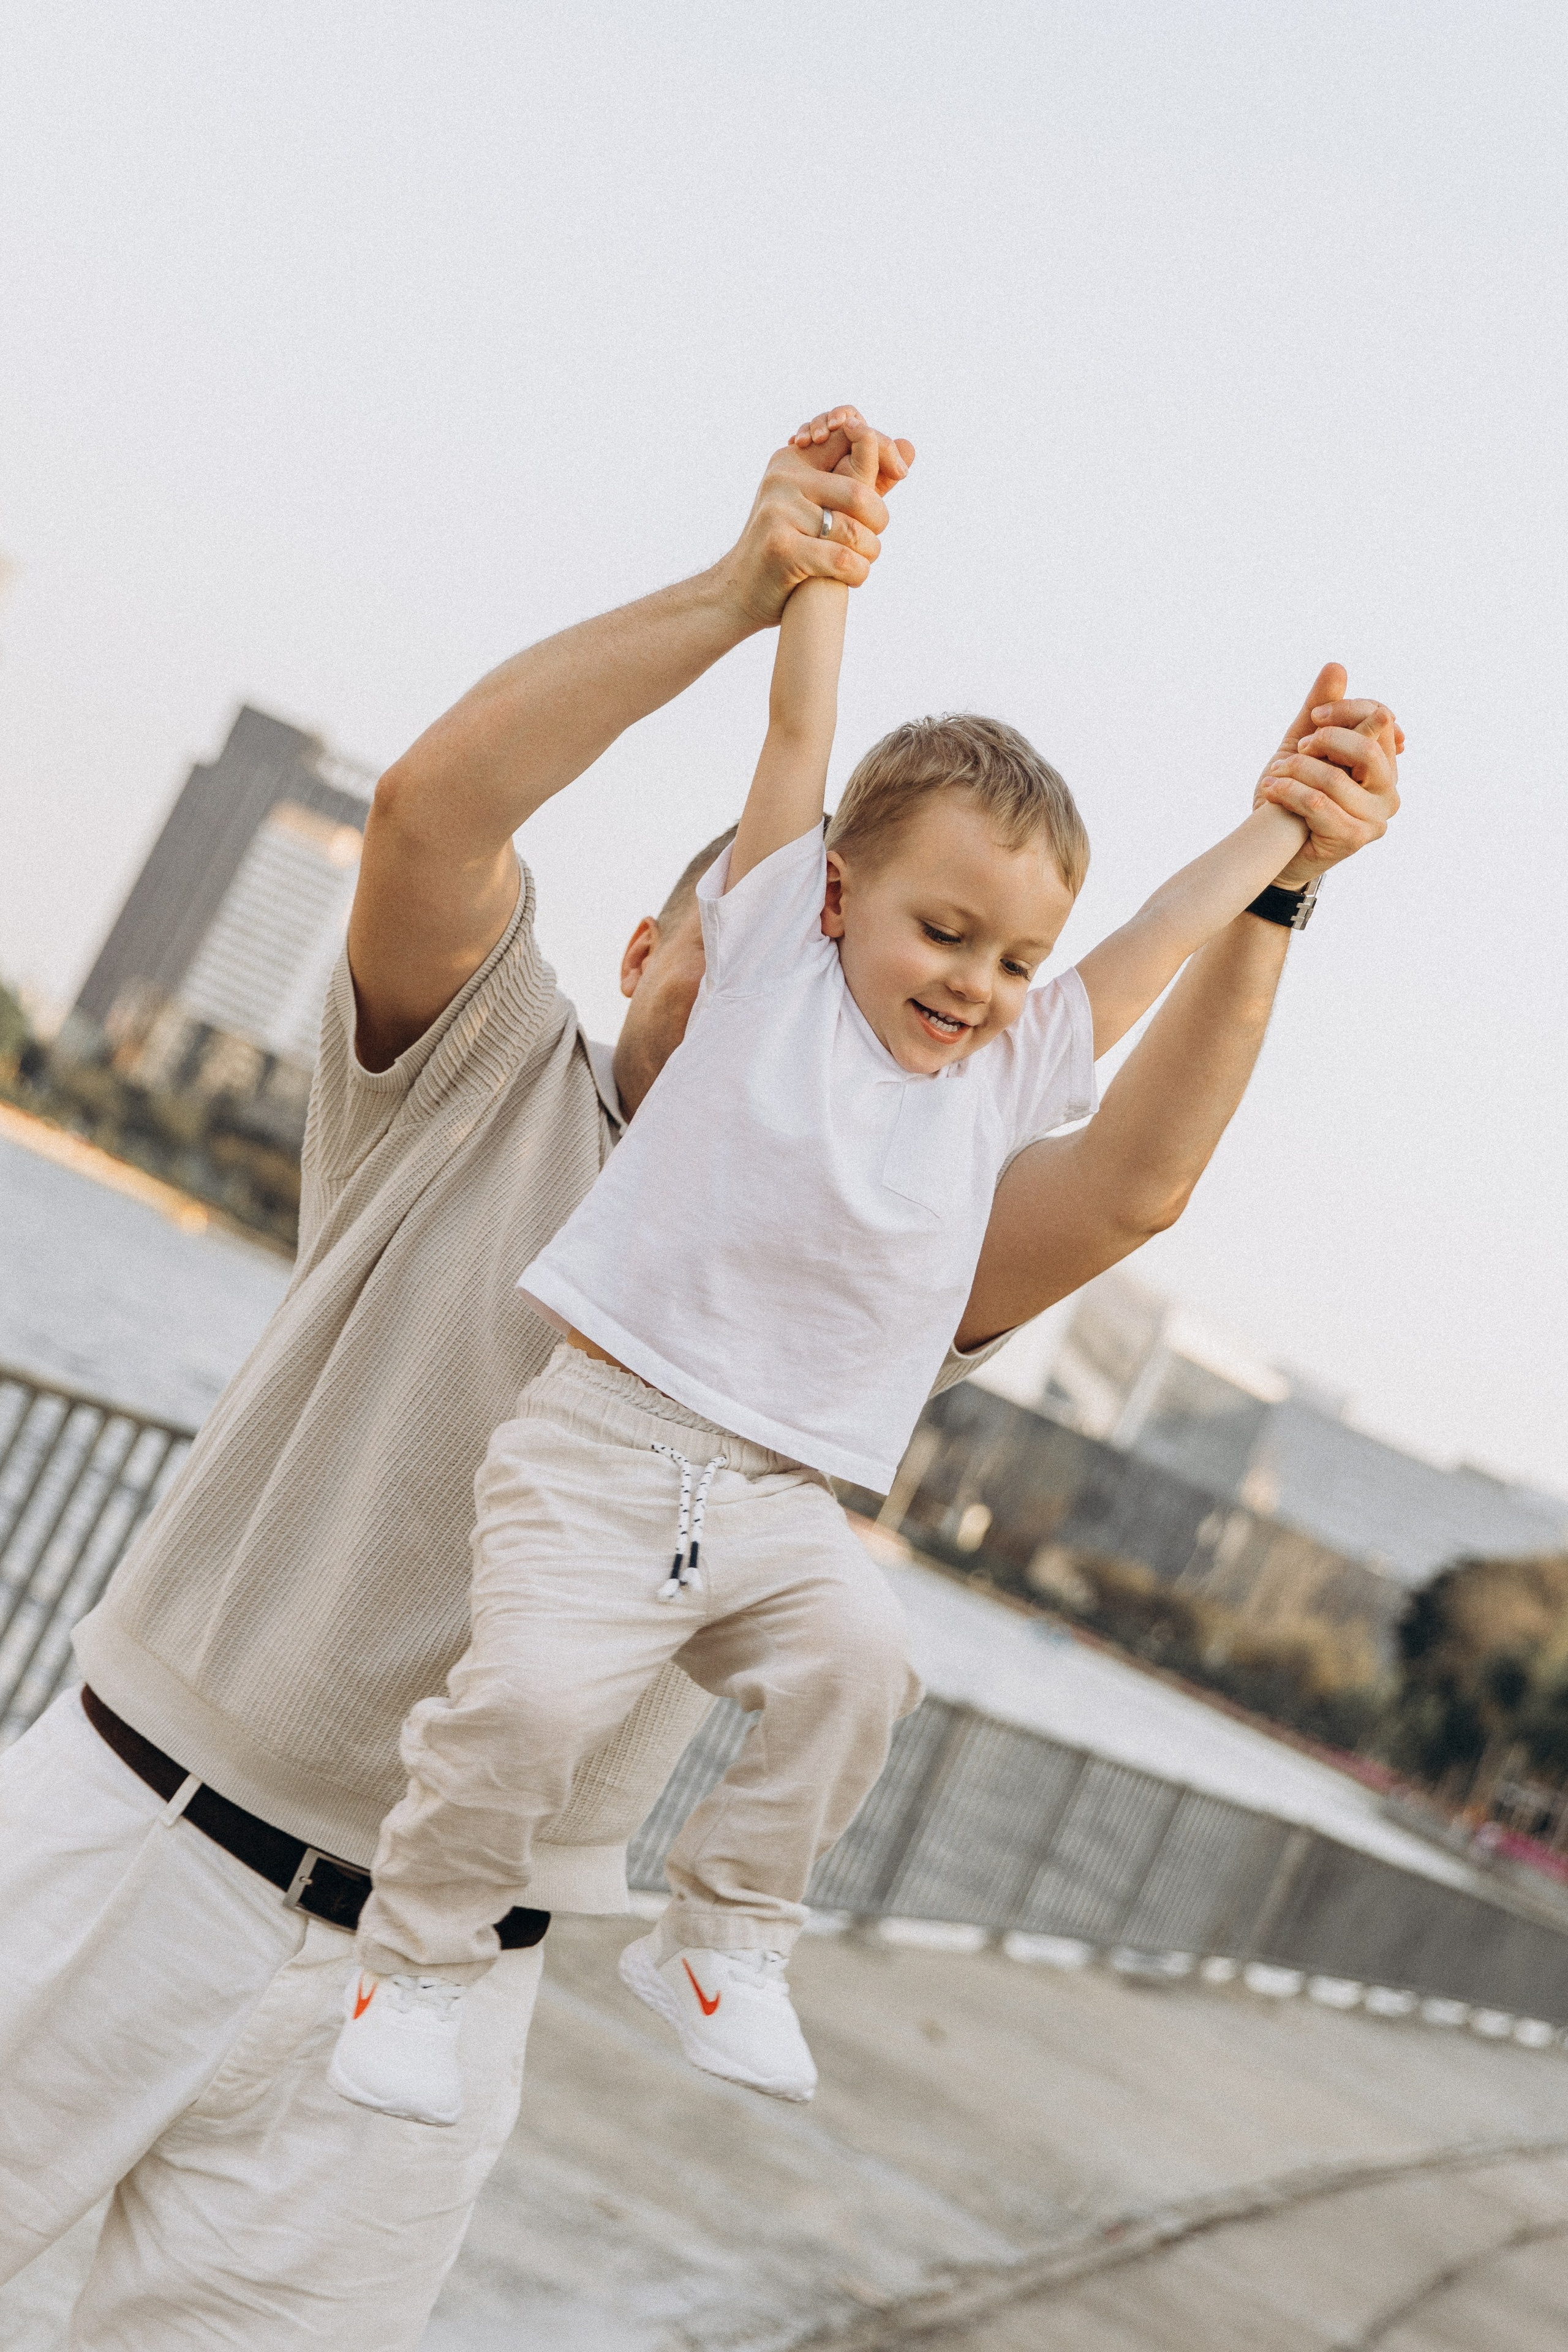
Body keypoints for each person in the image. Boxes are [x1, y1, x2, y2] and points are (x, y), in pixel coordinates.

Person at [0, 404, 1400, 2350]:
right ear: (692, 942)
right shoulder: (478, 1084)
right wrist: (756, 592)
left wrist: (1283, 886)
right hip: (131, 1855)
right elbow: (431, 809)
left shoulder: (870, 1241)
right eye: (754, 981)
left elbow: (1136, 1184)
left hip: (435, 1997)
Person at [325, 411, 1385, 2126]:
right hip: (597, 1453)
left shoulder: (1005, 1082)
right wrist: (821, 565)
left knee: (863, 1668)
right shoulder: (766, 980)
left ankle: (724, 1934)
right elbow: (802, 730)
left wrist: (1283, 839)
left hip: (779, 1501)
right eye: (944, 932)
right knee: (518, 1704)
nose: (979, 980)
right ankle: (412, 1965)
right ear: (830, 899)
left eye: (1015, 955)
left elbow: (1157, 944)